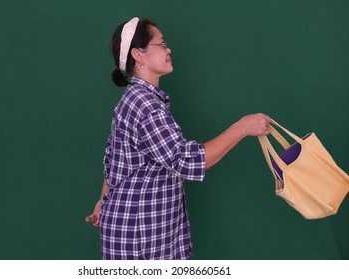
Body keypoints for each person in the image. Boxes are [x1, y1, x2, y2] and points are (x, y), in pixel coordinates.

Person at [86, 17, 270, 260]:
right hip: (141, 236)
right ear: (138, 55)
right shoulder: (146, 105)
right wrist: (243, 127)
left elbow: (113, 161)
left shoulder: (134, 99)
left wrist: (103, 201)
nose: (168, 49)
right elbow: (187, 160)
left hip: (133, 229)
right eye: (161, 44)